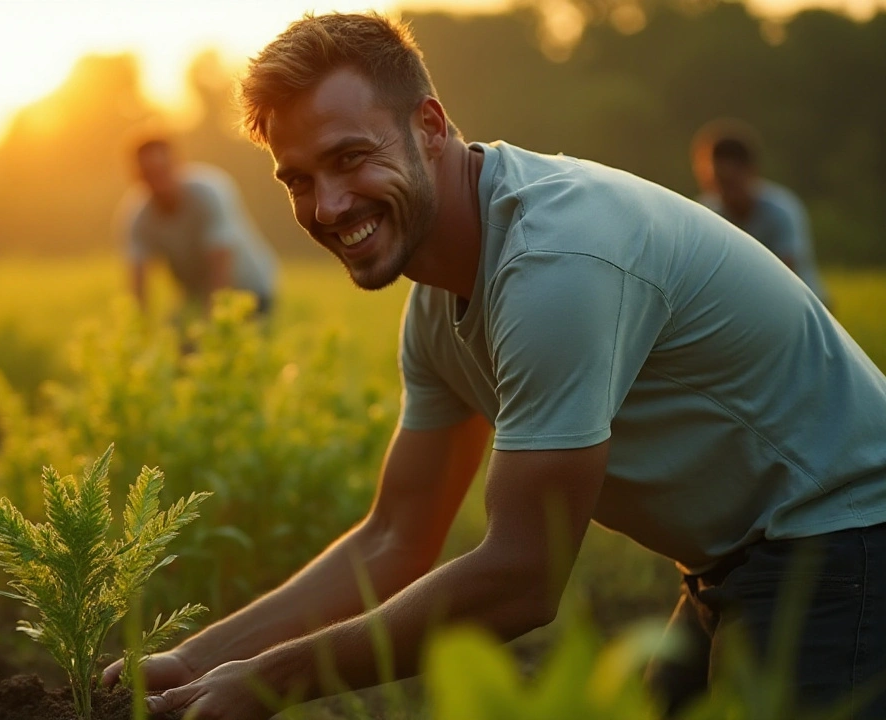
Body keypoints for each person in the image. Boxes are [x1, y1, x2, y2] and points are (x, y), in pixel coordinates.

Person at [101, 12, 886, 720]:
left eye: (350, 158)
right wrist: (193, 662)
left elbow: (524, 576)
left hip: (848, 539)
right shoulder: (439, 305)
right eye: (298, 179)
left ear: (431, 125)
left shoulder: (553, 263)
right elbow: (396, 538)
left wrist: (266, 682)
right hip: (740, 559)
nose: (328, 206)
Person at [117, 134, 279, 316]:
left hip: (250, 292)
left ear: (179, 165)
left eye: (163, 170)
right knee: (177, 336)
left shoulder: (208, 192)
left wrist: (210, 322)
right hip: (196, 296)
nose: (158, 182)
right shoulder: (138, 214)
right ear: (136, 175)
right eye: (149, 174)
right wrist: (139, 329)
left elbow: (220, 266)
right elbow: (138, 283)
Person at [691, 119, 831, 307]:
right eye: (716, 181)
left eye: (730, 182)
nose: (722, 191)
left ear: (750, 172)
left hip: (804, 306)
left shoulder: (780, 210)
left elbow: (787, 277)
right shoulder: (706, 214)